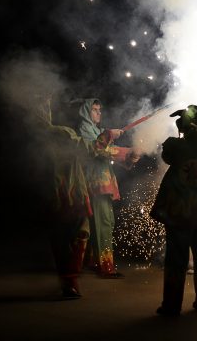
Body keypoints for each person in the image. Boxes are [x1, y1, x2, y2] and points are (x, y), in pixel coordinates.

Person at [33, 94, 117, 298]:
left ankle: (70, 280)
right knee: (71, 236)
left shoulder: (53, 132)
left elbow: (91, 148)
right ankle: (70, 281)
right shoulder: (61, 133)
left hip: (70, 193)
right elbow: (91, 148)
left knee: (74, 236)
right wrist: (107, 135)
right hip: (66, 195)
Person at [150, 105, 197, 316]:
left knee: (176, 259)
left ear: (181, 125)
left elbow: (167, 158)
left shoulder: (174, 146)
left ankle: (171, 305)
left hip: (179, 211)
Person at [78, 98, 140, 279]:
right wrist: (110, 134)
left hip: (101, 183)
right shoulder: (84, 129)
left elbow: (109, 150)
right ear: (86, 112)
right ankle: (105, 267)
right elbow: (97, 149)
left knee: (99, 224)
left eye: (99, 110)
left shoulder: (96, 130)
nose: (99, 113)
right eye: (94, 110)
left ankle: (89, 262)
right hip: (96, 183)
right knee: (103, 224)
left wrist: (129, 154)